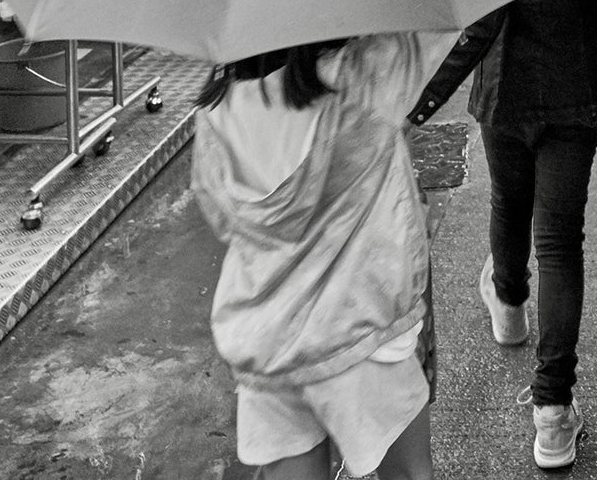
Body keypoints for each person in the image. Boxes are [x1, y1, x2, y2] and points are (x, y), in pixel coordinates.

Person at [193, 33, 453, 480]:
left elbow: (222, 220)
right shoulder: (368, 72)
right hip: (362, 334)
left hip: (267, 344)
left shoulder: (217, 112)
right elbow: (442, 20)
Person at [462, 0, 597, 469]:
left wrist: (418, 106)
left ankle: (509, 306)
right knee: (558, 241)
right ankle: (553, 411)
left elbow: (478, 19)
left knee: (508, 201)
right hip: (575, 88)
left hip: (504, 88)